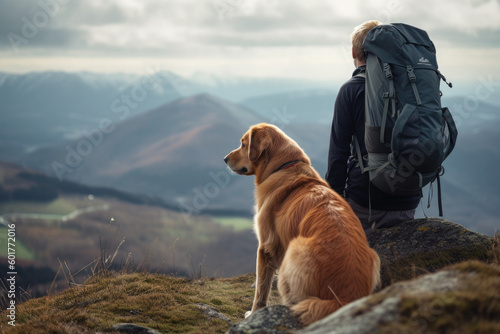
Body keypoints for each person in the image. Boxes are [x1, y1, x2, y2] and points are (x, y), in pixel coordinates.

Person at [325, 20, 420, 232]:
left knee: (353, 261)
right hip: (407, 197)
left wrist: (333, 202)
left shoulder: (350, 90)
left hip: (365, 201)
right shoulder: (409, 87)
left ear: (353, 52)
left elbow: (338, 153)